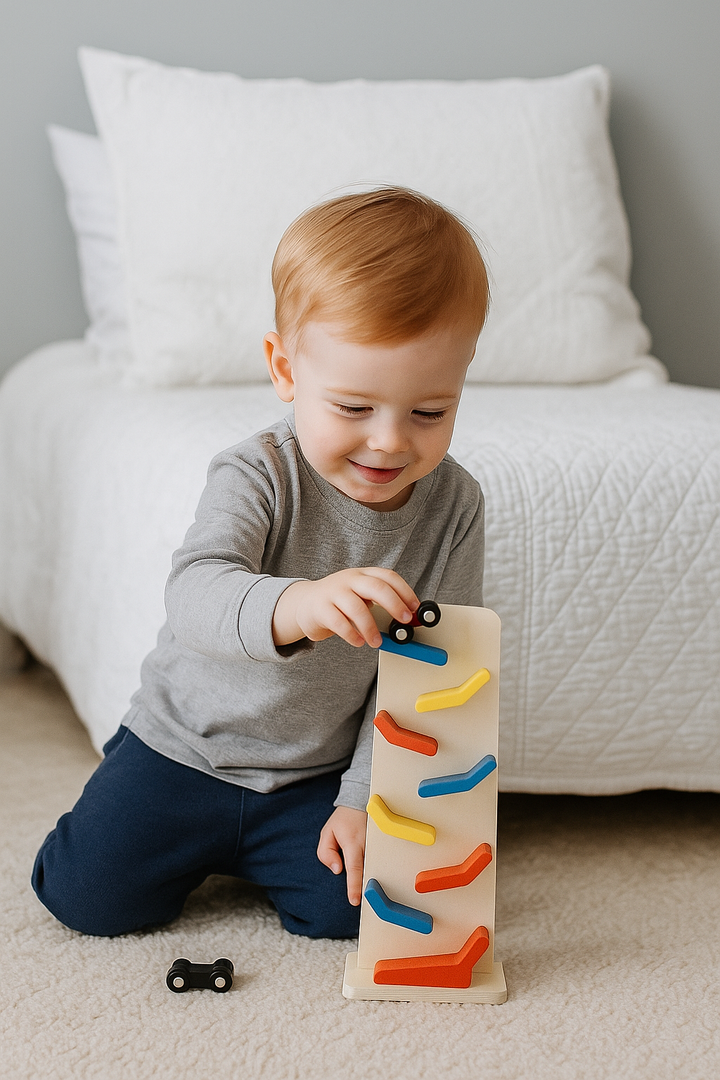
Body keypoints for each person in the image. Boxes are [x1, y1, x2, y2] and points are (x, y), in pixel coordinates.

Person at [32, 186, 489, 939]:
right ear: (285, 369)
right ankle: (126, 812)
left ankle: (267, 849)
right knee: (89, 900)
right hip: (185, 748)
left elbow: (427, 672)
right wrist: (294, 604)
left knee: (357, 914)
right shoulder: (258, 473)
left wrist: (364, 798)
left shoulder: (455, 506)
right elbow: (195, 593)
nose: (388, 441)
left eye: (429, 412)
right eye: (353, 408)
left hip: (313, 777)